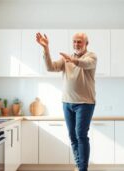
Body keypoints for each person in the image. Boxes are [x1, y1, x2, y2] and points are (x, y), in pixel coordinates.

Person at [36, 32, 97, 171]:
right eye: (74, 41)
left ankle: (83, 168)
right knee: (72, 135)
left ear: (86, 43)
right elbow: (50, 67)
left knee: (81, 135)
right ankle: (78, 164)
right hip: (67, 102)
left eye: (79, 42)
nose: (76, 44)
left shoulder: (91, 56)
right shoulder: (66, 59)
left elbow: (86, 64)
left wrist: (73, 60)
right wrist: (46, 48)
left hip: (85, 103)